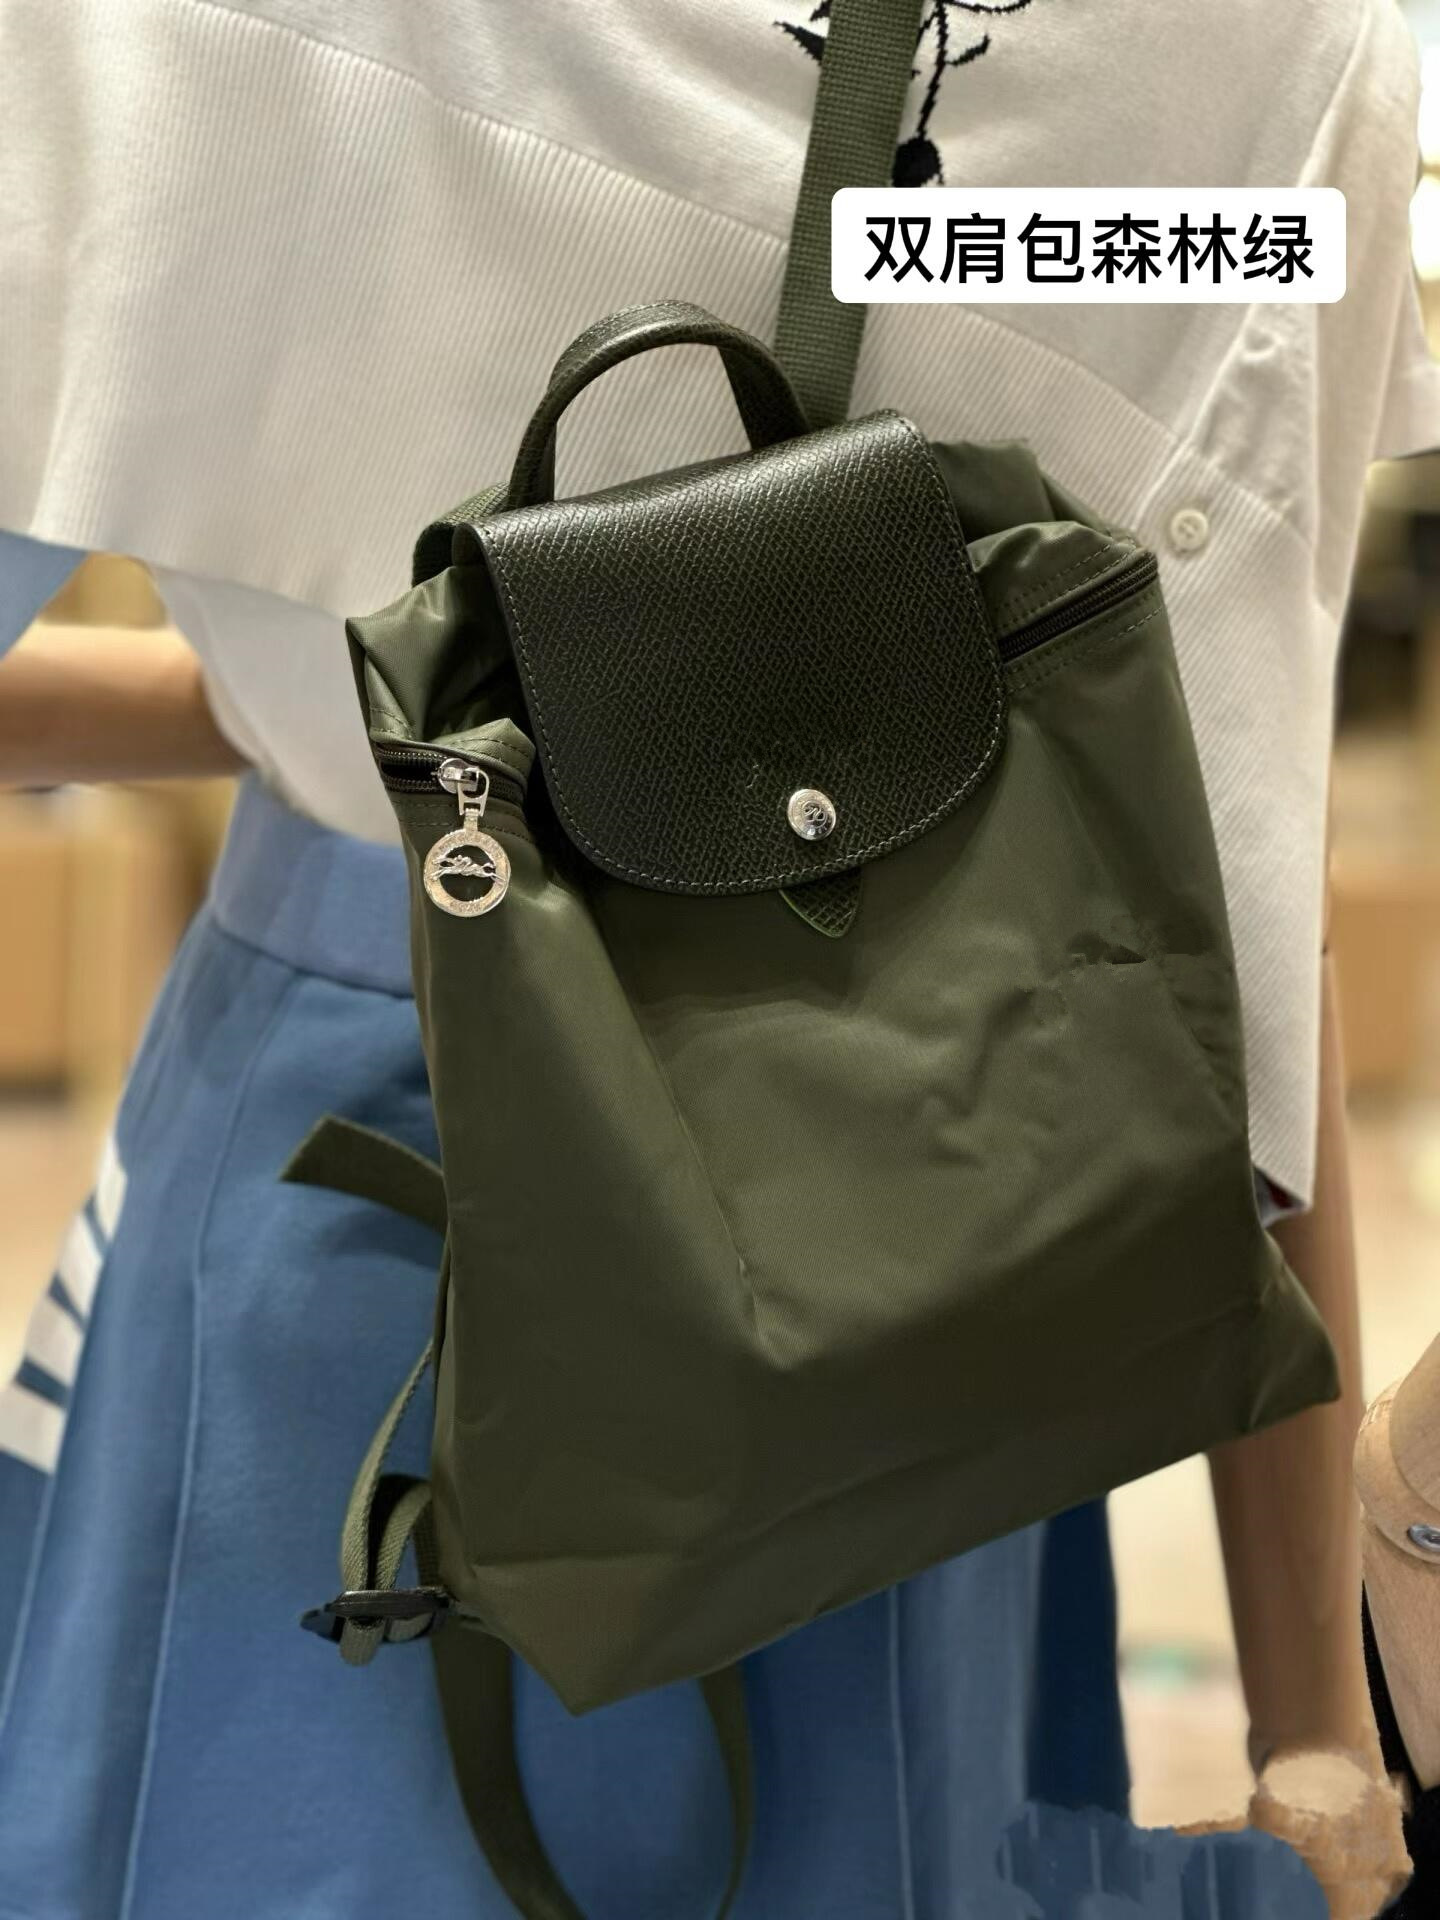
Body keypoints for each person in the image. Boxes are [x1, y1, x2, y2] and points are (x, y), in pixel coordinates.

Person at [0, 1, 1435, 1913]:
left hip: (366, 1171)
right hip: (944, 1170)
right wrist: (1311, 1726)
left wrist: (357, 717)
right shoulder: (1285, 54)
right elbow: (1239, 877)